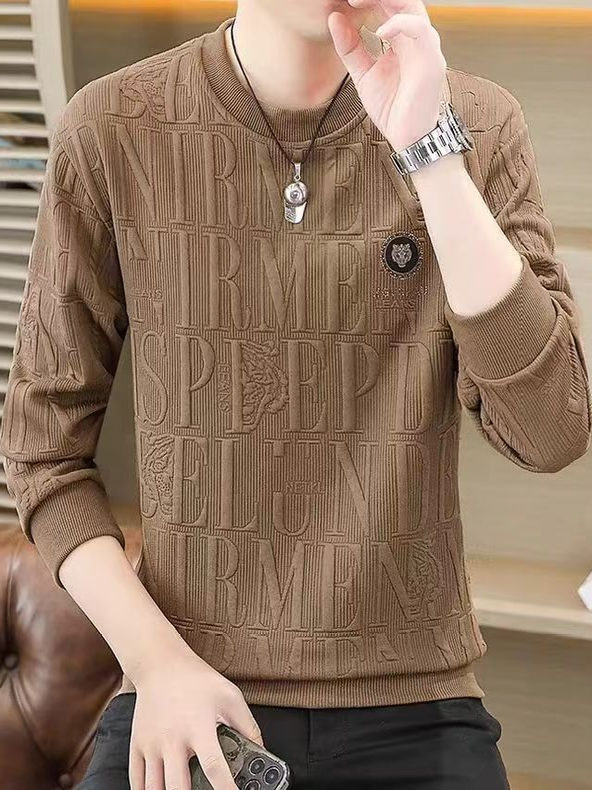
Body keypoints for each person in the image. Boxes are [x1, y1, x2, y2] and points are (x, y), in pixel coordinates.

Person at [1, 0, 590, 787]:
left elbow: (551, 431)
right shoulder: (111, 126)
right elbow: (42, 453)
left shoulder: (477, 124)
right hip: (187, 692)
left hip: (417, 705)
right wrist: (157, 662)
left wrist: (432, 156)